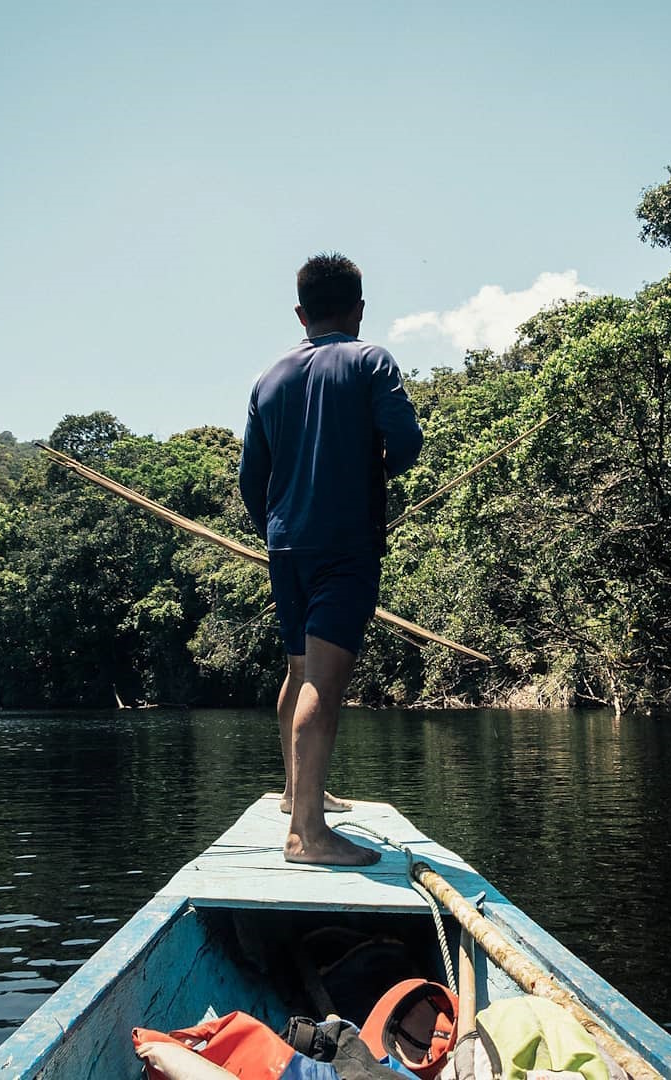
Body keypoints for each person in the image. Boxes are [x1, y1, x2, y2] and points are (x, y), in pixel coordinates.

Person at [239, 253, 423, 866]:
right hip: (344, 545)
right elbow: (406, 443)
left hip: (285, 545)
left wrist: (277, 527)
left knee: (298, 667)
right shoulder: (371, 360)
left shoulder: (268, 378)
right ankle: (307, 835)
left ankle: (298, 795)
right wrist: (370, 478)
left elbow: (252, 479)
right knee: (325, 677)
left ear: (301, 312)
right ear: (359, 308)